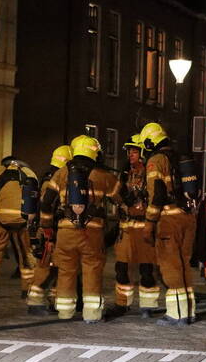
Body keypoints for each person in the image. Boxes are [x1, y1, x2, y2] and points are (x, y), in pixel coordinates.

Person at [33, 135, 121, 323]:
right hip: (92, 232)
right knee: (92, 270)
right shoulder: (103, 175)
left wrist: (47, 227)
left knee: (66, 271)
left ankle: (65, 311)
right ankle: (92, 314)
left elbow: (46, 203)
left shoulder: (61, 173)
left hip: (65, 232)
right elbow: (122, 198)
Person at [141, 122, 197, 326]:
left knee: (170, 266)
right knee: (184, 265)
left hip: (169, 220)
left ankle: (176, 314)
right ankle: (189, 311)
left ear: (149, 142)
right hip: (188, 217)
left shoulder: (156, 161)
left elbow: (157, 194)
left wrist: (149, 222)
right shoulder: (178, 157)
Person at [107, 134, 161, 319]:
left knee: (147, 269)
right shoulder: (125, 173)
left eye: (134, 151)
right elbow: (113, 195)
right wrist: (122, 196)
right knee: (121, 268)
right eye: (129, 151)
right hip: (126, 228)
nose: (130, 154)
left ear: (143, 153)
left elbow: (156, 197)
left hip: (144, 227)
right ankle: (122, 303)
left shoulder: (150, 172)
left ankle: (148, 305)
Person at [0, 156, 39, 299]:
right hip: (22, 219)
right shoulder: (29, 172)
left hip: (1, 220)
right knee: (26, 253)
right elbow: (35, 195)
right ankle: (28, 288)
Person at [26, 144, 73, 314]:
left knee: (57, 267)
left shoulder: (51, 178)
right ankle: (35, 302)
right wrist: (48, 233)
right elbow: (47, 208)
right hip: (48, 231)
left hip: (53, 231)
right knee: (45, 267)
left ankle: (54, 300)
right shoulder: (51, 182)